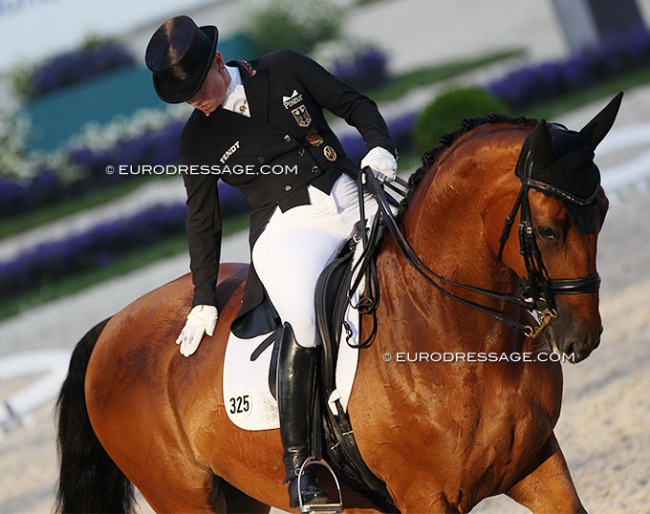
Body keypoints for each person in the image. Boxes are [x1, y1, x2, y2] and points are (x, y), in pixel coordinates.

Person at [145, 15, 397, 509]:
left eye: (199, 86)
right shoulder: (197, 140)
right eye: (185, 97)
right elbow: (203, 221)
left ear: (219, 61)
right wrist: (202, 300)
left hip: (350, 192)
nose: (197, 100)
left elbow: (354, 104)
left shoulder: (282, 68)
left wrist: (381, 149)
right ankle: (302, 463)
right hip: (286, 228)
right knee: (303, 318)